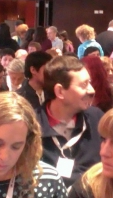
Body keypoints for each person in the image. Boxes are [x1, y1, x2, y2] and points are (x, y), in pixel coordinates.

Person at [36, 56, 103, 186]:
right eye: (84, 85)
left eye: (90, 82)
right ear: (60, 91)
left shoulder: (96, 118)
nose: (92, 90)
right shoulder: (32, 127)